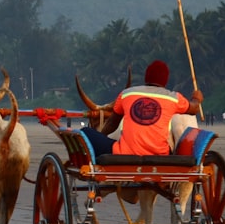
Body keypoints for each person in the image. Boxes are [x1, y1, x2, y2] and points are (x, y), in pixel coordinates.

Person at [66, 60, 203, 157]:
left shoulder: (127, 94)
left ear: (145, 78)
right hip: (160, 154)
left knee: (85, 131)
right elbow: (194, 109)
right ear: (165, 81)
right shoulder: (174, 97)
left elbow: (113, 123)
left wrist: (102, 137)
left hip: (125, 153)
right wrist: (197, 97)